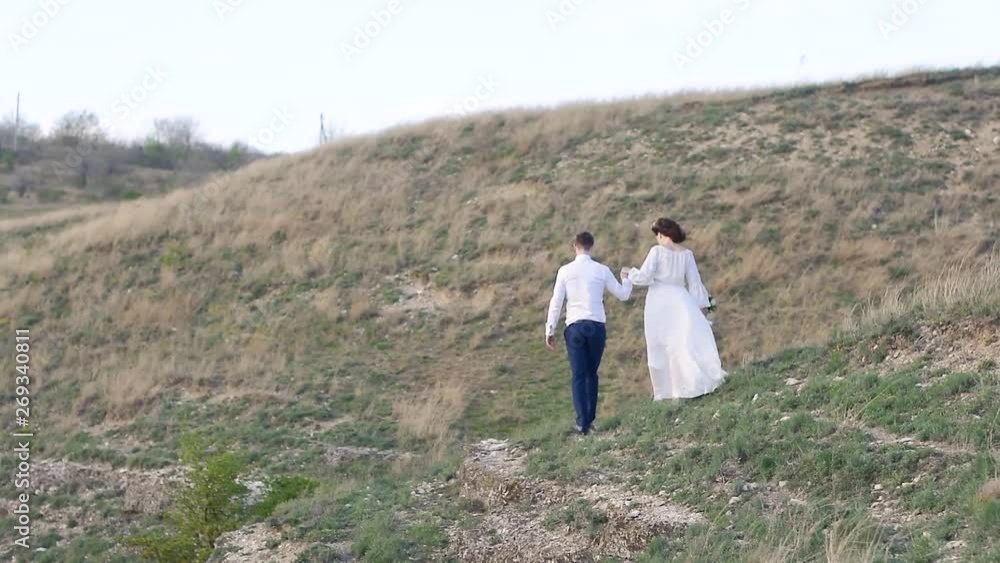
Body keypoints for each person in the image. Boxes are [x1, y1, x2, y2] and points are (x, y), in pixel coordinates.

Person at [623, 218, 726, 400]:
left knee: (659, 345)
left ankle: (664, 391)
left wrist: (629, 272)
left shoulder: (657, 251)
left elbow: (645, 277)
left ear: (661, 234)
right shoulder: (687, 254)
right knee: (681, 343)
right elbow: (694, 283)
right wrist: (701, 305)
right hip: (681, 300)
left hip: (659, 300)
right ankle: (686, 385)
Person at [545, 231, 632, 435]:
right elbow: (623, 295)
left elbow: (556, 302)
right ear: (592, 246)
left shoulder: (565, 271)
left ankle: (581, 422)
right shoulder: (602, 270)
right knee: (592, 373)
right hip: (596, 326)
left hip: (575, 326)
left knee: (578, 374)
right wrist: (626, 279)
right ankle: (590, 421)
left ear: (574, 246)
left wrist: (550, 329)